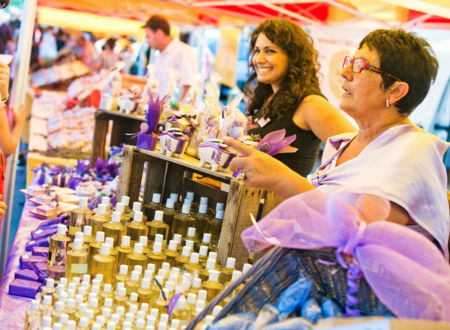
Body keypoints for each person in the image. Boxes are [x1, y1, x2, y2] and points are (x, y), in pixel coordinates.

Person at [226, 29, 449, 257]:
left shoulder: (415, 150)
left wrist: (283, 180)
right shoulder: (344, 144)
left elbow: (358, 239)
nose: (344, 72)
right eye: (349, 62)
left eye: (360, 66)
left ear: (396, 90)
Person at [244, 18, 355, 175]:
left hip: (282, 200)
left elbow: (359, 155)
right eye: (257, 50)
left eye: (270, 51)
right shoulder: (269, 98)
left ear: (293, 56)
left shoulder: (310, 104)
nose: (259, 59)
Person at [143, 15, 198, 103]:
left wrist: (172, 110)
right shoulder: (160, 54)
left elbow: (188, 84)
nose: (147, 41)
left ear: (159, 33)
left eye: (148, 36)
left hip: (172, 114)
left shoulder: (182, 51)